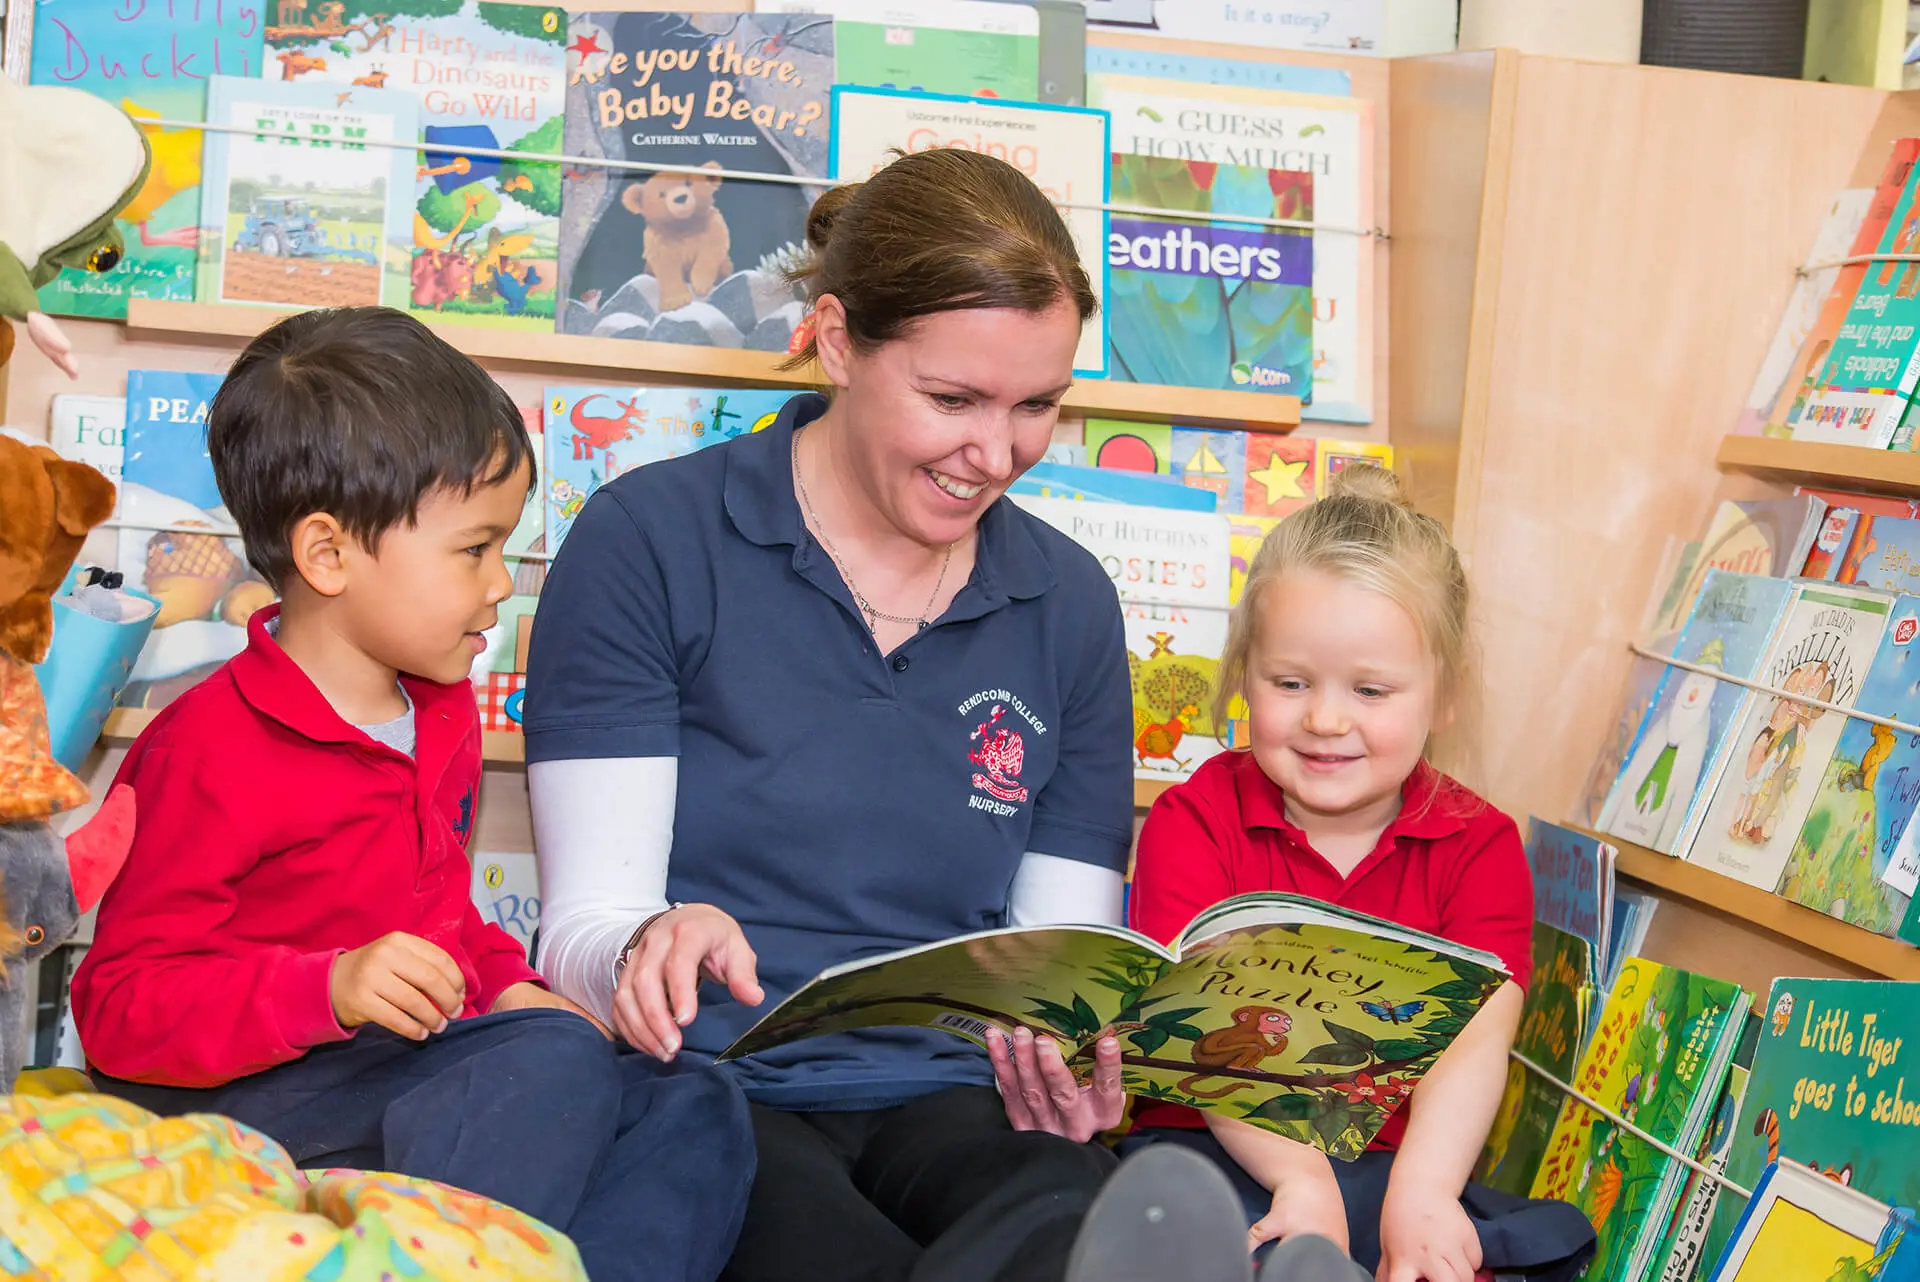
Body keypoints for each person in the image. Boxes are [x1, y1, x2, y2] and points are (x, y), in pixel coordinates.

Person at [525, 148, 1137, 1282]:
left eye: (1038, 406)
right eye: (953, 400)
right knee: (821, 1251)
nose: (996, 455)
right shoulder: (649, 543)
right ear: (838, 339)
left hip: (954, 1093)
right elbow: (577, 933)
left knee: (1068, 1211)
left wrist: (1077, 1051)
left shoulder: (1070, 605)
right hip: (708, 1085)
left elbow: (1061, 959)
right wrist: (645, 946)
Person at [71, 307, 755, 1282]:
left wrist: (509, 985)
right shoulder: (208, 750)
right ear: (328, 555)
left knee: (693, 1096)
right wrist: (329, 986)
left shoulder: (436, 713)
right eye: (474, 549)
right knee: (545, 1064)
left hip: (385, 1069)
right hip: (238, 1092)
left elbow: (436, 915)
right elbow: (122, 1008)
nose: (500, 587)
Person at [1122, 467, 1596, 1282]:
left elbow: (1477, 1038)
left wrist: (1424, 1195)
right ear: (1243, 673)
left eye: (1370, 690)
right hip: (1217, 1143)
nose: (1326, 720)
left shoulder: (1477, 844)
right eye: (1290, 683)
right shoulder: (1193, 820)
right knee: (1207, 1245)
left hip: (1398, 1164)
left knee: (1533, 1243)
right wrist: (1299, 1177)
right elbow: (1200, 1035)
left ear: (1443, 695)